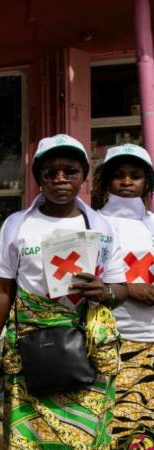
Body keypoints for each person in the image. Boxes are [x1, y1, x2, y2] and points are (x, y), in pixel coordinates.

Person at [0, 134, 127, 449]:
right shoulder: (17, 225)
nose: (60, 179)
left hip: (86, 349)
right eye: (50, 172)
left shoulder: (102, 227)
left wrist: (107, 292)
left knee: (84, 437)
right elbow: (3, 288)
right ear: (39, 179)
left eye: (70, 171)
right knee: (29, 439)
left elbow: (120, 287)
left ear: (84, 176)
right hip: (31, 350)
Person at [91, 144, 154, 448]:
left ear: (147, 183)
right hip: (108, 342)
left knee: (146, 430)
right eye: (119, 176)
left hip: (151, 339)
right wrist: (131, 289)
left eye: (136, 176)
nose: (127, 182)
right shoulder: (92, 223)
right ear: (106, 181)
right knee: (113, 427)